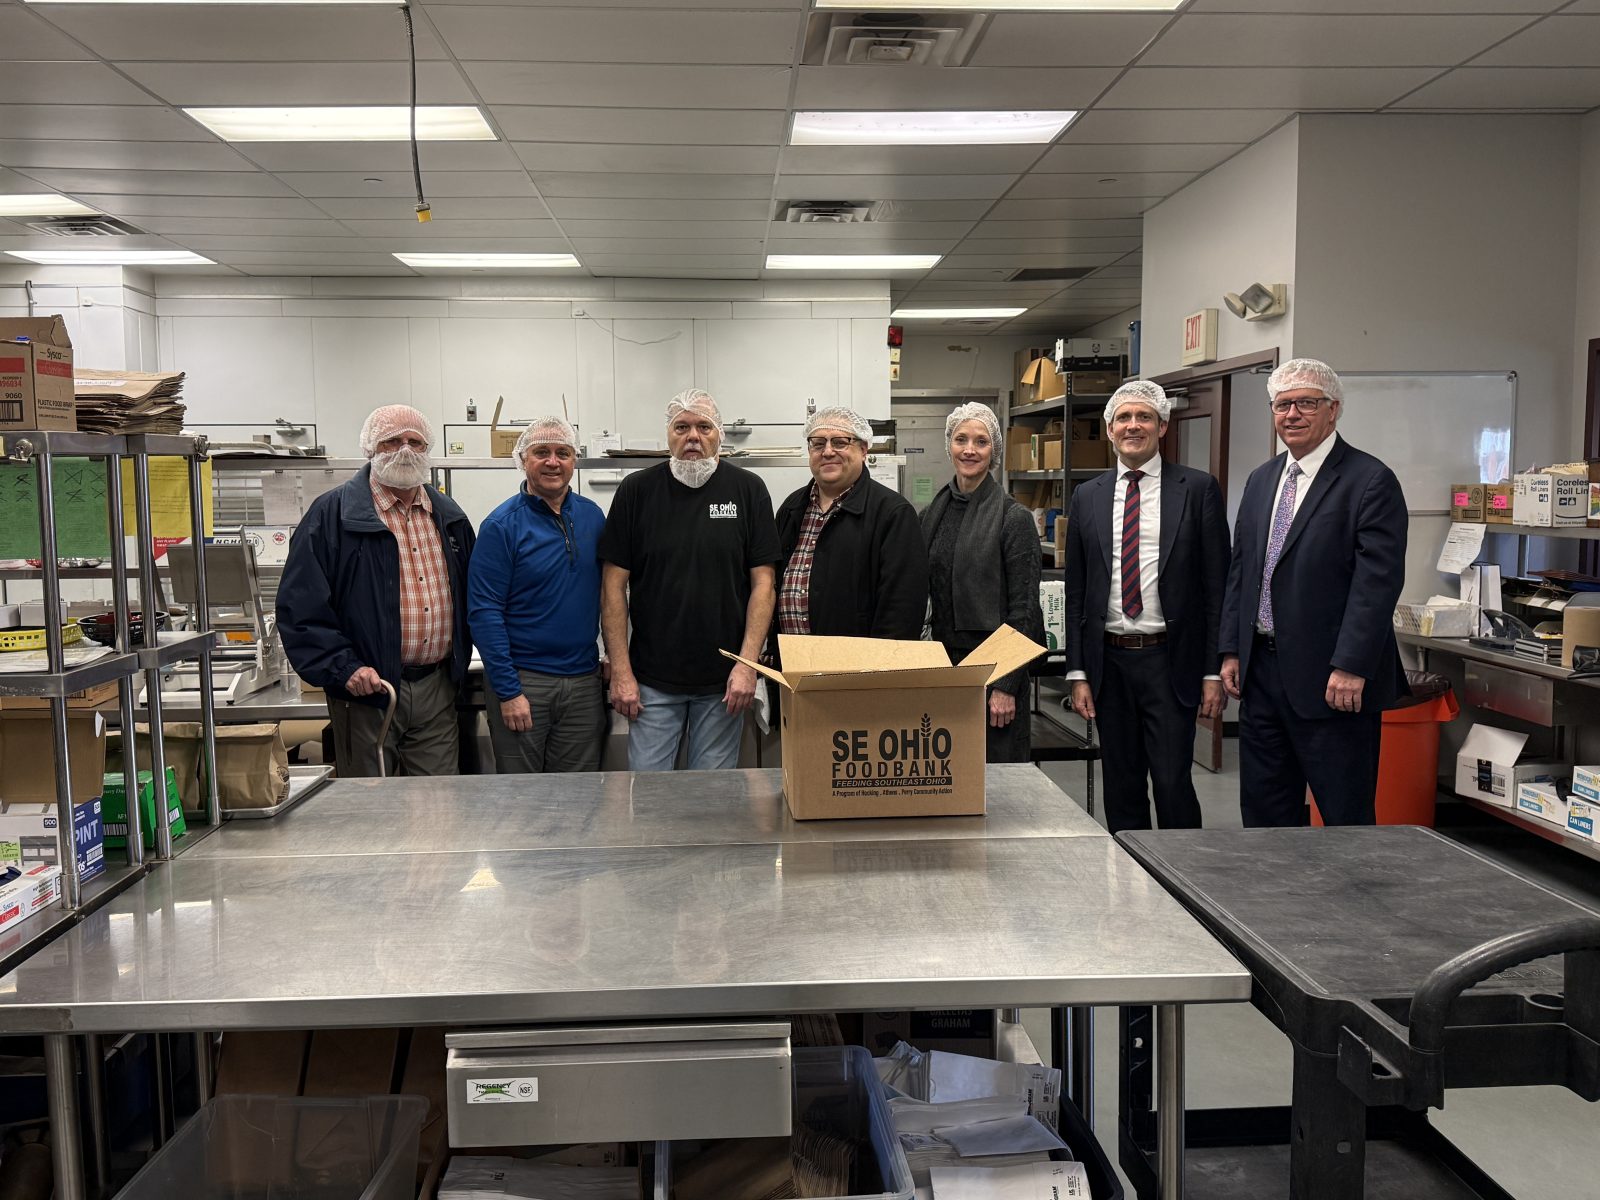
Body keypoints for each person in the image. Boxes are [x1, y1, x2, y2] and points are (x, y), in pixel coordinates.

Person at [1219, 357, 1408, 827]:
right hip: (1261, 674)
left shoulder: (1369, 481)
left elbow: (1376, 584)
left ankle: (1349, 883)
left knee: (1344, 814)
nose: (1292, 414)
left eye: (1306, 403)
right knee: (1264, 810)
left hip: (1332, 681)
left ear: (1333, 409)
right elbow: (1243, 571)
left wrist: (1351, 665)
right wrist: (1232, 649)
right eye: (1282, 405)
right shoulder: (1262, 480)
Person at [1064, 381, 1230, 833]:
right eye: (1123, 417)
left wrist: (1212, 671)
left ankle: (1182, 870)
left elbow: (1216, 588)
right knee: (1122, 783)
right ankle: (1127, 868)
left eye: (1144, 417)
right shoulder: (1088, 495)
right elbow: (1077, 591)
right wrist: (1078, 672)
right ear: (1109, 430)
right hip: (1109, 663)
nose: (1133, 425)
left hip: (1170, 662)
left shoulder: (1197, 489)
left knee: (1173, 782)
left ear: (1162, 426)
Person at [278, 404, 474, 777]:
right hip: (367, 692)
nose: (405, 450)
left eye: (415, 442)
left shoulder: (449, 517)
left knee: (439, 800)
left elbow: (472, 598)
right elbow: (300, 609)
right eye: (392, 441)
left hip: (436, 689)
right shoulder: (331, 516)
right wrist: (344, 668)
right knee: (371, 804)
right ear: (370, 448)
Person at [599, 388, 780, 771]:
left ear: (720, 435)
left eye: (704, 427)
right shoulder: (636, 492)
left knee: (711, 796)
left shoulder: (748, 490)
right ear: (669, 434)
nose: (693, 436)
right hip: (651, 683)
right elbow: (613, 587)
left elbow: (764, 585)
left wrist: (747, 665)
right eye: (682, 427)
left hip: (723, 684)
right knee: (648, 792)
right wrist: (621, 671)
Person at [468, 417, 607, 774]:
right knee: (522, 796)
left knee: (579, 794)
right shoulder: (501, 526)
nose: (553, 462)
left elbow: (609, 595)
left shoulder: (593, 518)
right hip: (525, 681)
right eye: (541, 452)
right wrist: (509, 691)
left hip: (583, 682)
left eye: (563, 453)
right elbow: (484, 613)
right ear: (523, 459)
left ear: (574, 460)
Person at [921, 401, 1043, 763]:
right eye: (961, 439)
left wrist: (1005, 685)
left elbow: (1024, 610)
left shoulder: (1013, 518)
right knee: (948, 773)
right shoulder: (929, 515)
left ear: (994, 452)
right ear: (949, 445)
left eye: (981, 441)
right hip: (942, 667)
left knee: (997, 777)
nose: (969, 450)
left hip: (994, 670)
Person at [775, 406, 928, 642]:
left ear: (863, 449)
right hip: (789, 661)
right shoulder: (792, 508)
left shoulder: (893, 514)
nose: (827, 452)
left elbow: (902, 611)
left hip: (858, 665)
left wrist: (881, 664)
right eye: (818, 443)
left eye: (840, 442)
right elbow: (772, 585)